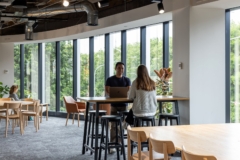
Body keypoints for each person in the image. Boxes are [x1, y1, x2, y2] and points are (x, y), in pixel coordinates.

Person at [105, 62, 131, 153]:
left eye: (122, 68)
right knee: (113, 126)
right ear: (115, 68)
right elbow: (107, 91)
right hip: (114, 105)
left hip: (124, 106)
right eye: (119, 68)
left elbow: (129, 91)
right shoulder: (110, 79)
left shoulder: (127, 80)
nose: (121, 70)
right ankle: (112, 145)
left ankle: (119, 144)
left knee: (122, 126)